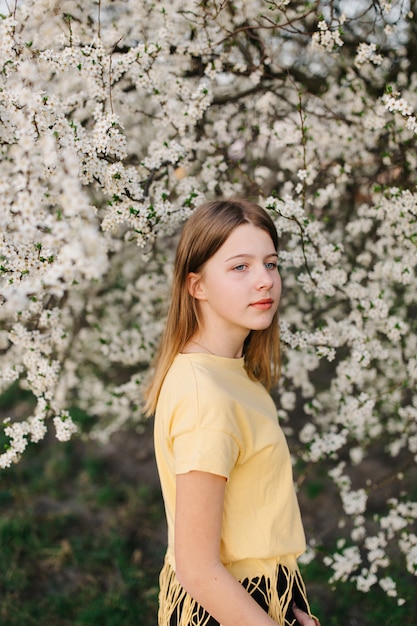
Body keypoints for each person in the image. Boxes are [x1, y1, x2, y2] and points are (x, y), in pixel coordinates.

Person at [144, 198, 320, 626]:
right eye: (240, 267)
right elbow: (198, 569)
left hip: (264, 595)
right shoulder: (206, 397)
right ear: (197, 286)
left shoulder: (229, 373)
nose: (265, 281)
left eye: (271, 264)